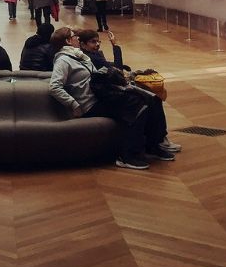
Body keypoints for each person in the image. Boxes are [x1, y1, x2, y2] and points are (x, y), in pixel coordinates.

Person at [48, 26, 173, 170]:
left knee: (147, 99)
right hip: (89, 104)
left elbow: (95, 76)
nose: (77, 37)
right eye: (74, 36)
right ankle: (127, 155)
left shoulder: (79, 56)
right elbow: (54, 86)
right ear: (68, 41)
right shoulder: (63, 60)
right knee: (136, 106)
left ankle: (152, 145)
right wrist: (74, 105)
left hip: (99, 96)